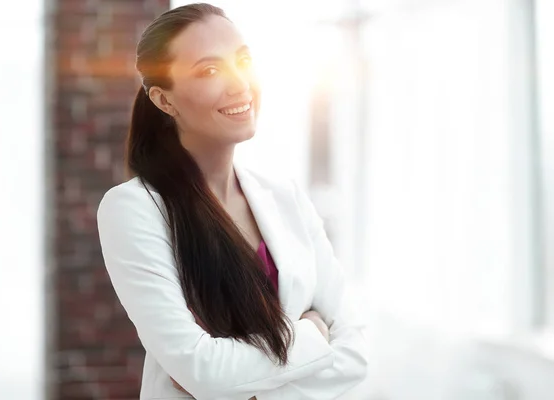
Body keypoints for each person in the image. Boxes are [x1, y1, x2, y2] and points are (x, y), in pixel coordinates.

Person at [96, 3, 368, 399]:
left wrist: (245, 382)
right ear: (164, 100)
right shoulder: (133, 210)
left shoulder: (284, 196)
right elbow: (202, 370)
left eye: (243, 60)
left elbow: (355, 357)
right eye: (208, 70)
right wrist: (313, 334)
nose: (239, 83)